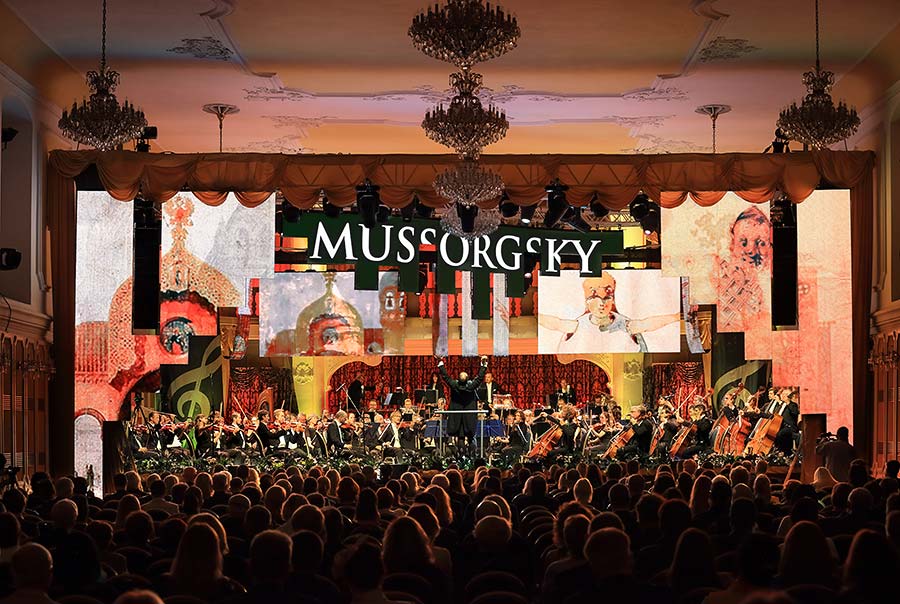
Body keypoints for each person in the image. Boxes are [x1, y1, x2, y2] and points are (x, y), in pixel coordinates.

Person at [539, 273, 681, 354]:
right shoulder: (578, 325)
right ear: (587, 301)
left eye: (606, 298)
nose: (602, 304)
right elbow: (555, 323)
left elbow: (647, 324)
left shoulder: (625, 325)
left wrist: (675, 317)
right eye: (596, 299)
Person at [437, 355, 488, 451]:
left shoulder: (454, 385)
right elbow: (480, 378)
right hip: (469, 416)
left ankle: (461, 457)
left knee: (460, 437)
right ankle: (470, 456)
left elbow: (445, 377)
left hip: (457, 416)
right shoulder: (471, 386)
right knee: (470, 438)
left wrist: (441, 362)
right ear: (468, 379)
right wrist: (483, 365)